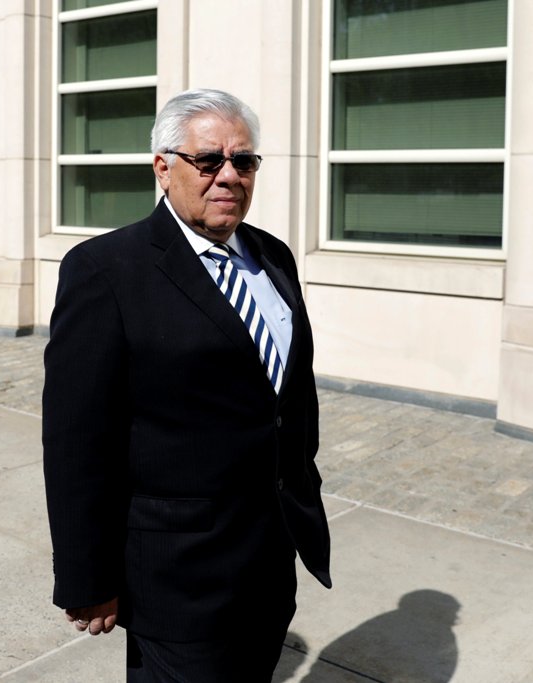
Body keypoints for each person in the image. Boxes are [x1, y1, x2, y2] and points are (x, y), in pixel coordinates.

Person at [42, 88, 331, 681]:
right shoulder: (104, 270)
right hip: (176, 579)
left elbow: (289, 399)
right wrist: (87, 576)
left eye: (243, 161)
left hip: (269, 563)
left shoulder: (273, 256)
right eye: (209, 161)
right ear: (163, 167)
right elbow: (77, 442)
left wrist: (304, 489)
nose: (229, 175)